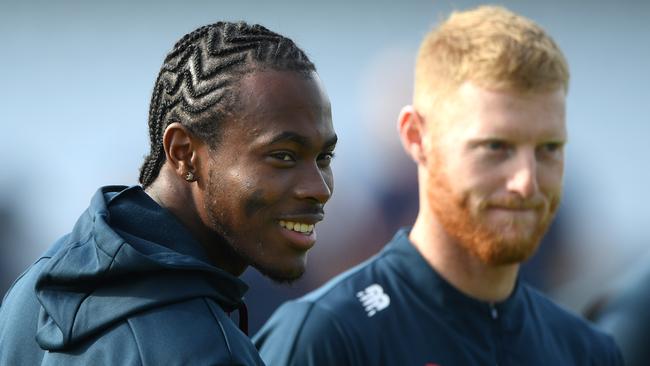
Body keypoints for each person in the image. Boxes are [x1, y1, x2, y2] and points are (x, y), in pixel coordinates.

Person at [254, 6, 623, 365]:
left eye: (549, 149)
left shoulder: (587, 350)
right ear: (416, 137)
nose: (526, 182)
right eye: (495, 147)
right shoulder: (328, 337)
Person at [0, 21, 336, 365]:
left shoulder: (34, 285)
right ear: (183, 152)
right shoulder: (210, 352)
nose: (319, 190)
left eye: (324, 157)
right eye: (283, 156)